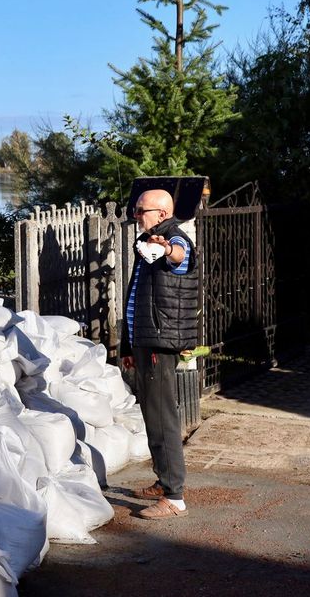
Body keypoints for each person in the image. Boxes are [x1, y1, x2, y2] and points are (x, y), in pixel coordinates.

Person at [120, 188, 198, 519]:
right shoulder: (149, 242)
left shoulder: (174, 238)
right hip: (144, 340)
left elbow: (179, 257)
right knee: (153, 414)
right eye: (135, 211)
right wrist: (127, 346)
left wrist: (168, 249)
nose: (136, 215)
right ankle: (163, 480)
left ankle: (174, 497)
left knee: (162, 417)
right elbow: (136, 297)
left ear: (162, 214)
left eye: (141, 211)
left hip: (159, 342)